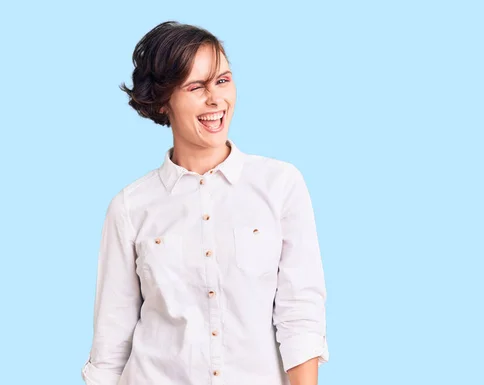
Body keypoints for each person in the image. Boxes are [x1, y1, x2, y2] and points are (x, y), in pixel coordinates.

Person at [81, 21, 329, 385]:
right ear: (164, 102)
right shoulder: (130, 207)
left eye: (223, 81)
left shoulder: (280, 185)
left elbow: (301, 314)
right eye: (196, 86)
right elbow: (111, 344)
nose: (215, 99)